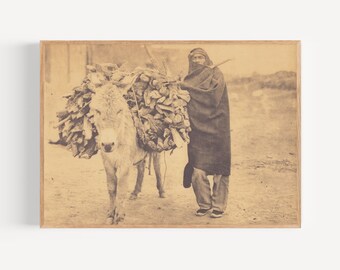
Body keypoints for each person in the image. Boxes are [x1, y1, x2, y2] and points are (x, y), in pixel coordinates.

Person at [181, 48, 231, 218]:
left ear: (206, 58)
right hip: (197, 129)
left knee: (220, 168)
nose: (197, 60)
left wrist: (189, 89)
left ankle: (219, 205)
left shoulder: (216, 73)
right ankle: (204, 204)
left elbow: (212, 97)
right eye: (194, 57)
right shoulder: (188, 78)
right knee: (198, 168)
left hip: (217, 126)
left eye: (200, 57)